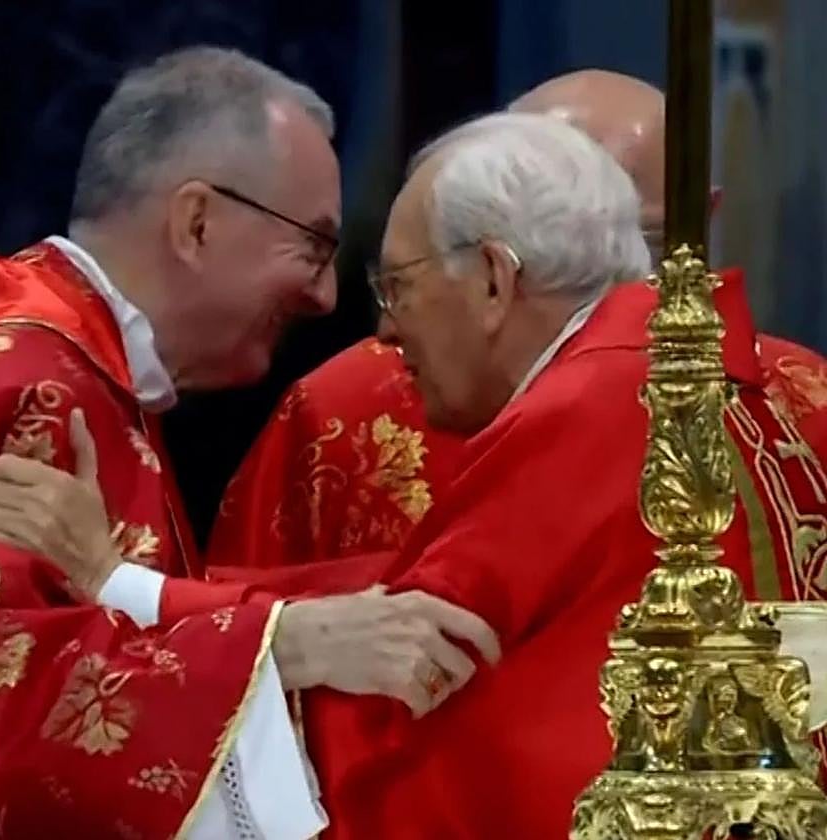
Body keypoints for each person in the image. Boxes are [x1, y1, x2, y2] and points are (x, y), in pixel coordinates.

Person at [0, 111, 827, 836]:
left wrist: (117, 586)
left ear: (493, 277)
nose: (383, 329)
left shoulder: (590, 408)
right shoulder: (728, 380)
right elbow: (409, 601)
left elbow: (401, 683)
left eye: (398, 284)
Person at [0, 46, 499, 840]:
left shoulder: (27, 353)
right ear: (197, 222)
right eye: (312, 246)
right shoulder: (42, 391)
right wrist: (283, 645)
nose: (323, 295)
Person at [207, 69, 827, 581]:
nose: (615, 282)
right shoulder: (345, 406)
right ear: (499, 267)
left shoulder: (795, 395)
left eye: (640, 242)